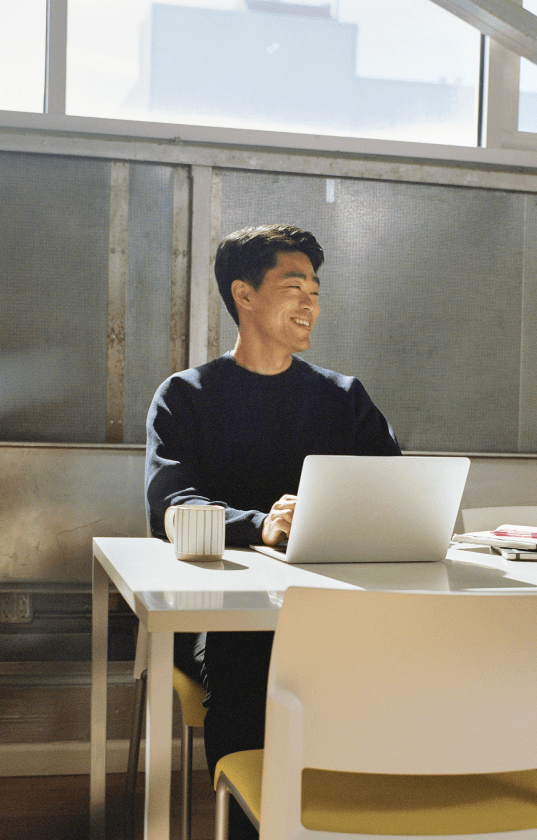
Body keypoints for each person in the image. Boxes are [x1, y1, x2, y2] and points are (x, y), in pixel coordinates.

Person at [145, 224, 401, 838]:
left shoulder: (344, 397)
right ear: (244, 294)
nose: (311, 299)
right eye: (294, 284)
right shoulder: (186, 395)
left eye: (316, 286)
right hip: (229, 620)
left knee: (406, 648)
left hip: (337, 608)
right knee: (256, 655)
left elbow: (394, 495)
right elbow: (170, 507)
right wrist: (260, 526)